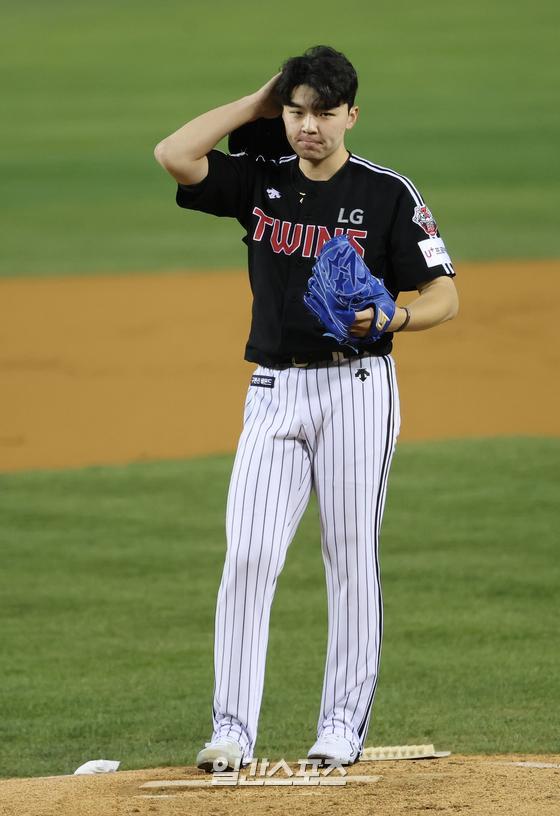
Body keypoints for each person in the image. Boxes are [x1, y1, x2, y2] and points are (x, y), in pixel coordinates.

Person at [154, 45, 459, 771]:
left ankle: (341, 729)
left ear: (351, 114)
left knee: (350, 558)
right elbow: (173, 153)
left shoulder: (386, 193)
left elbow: (445, 294)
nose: (308, 126)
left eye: (323, 112)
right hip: (273, 391)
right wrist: (255, 104)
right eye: (296, 111)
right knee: (251, 554)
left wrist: (397, 321)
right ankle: (231, 730)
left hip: (358, 389)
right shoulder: (260, 181)